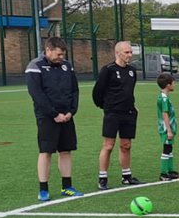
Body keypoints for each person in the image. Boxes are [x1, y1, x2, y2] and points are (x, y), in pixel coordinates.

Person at [26, 35, 81, 200]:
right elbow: (37, 94)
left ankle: (67, 187)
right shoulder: (35, 66)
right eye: (58, 54)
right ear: (48, 50)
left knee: (65, 151)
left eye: (63, 54)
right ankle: (43, 189)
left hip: (67, 116)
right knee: (46, 152)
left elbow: (74, 90)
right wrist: (54, 114)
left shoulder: (67, 66)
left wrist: (71, 111)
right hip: (47, 117)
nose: (61, 57)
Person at [91, 40, 141, 189]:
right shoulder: (108, 70)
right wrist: (106, 106)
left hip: (129, 113)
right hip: (112, 113)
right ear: (117, 53)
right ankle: (102, 178)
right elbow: (97, 92)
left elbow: (128, 91)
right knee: (108, 145)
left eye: (131, 52)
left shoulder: (132, 71)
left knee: (126, 145)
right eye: (127, 52)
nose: (130, 55)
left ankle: (126, 176)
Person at [156, 72, 179, 181]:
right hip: (166, 129)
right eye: (173, 83)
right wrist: (169, 130)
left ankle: (170, 170)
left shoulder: (164, 96)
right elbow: (164, 114)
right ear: (168, 85)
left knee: (169, 149)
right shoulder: (164, 99)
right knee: (166, 149)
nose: (174, 85)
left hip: (168, 128)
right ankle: (163, 173)